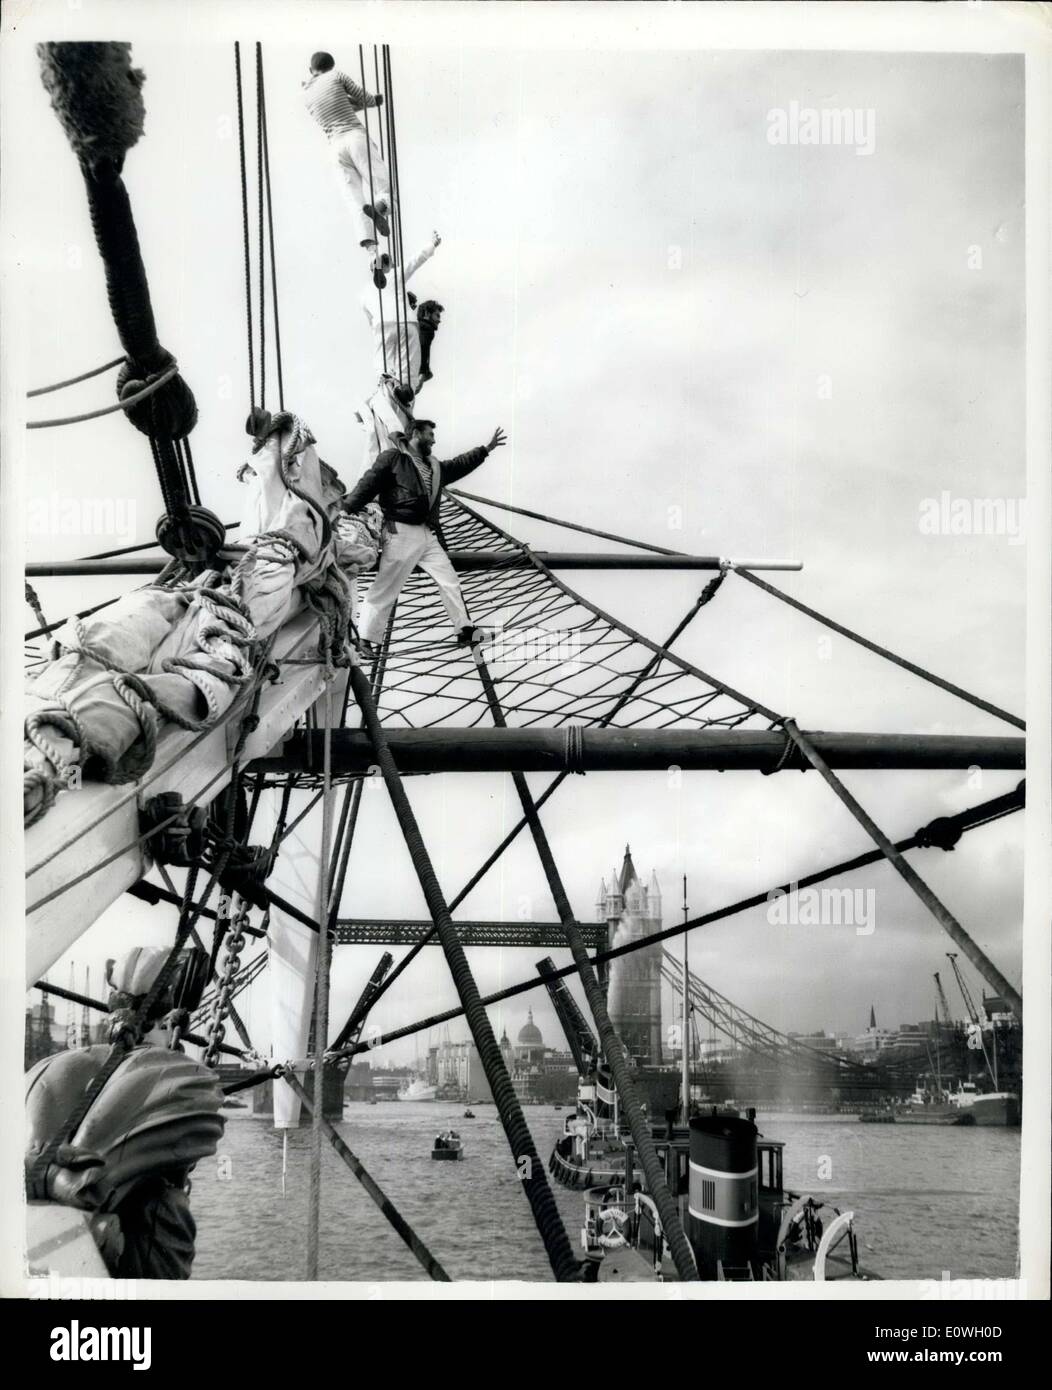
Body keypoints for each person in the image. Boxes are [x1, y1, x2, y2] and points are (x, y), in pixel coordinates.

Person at [342, 417, 507, 656]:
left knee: (449, 578)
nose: (434, 439)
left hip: (426, 532)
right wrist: (345, 509)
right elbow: (368, 484)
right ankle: (365, 638)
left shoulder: (434, 465)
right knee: (387, 586)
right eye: (430, 434)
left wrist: (485, 450)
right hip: (400, 528)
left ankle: (464, 629)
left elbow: (460, 464)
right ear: (416, 433)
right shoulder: (393, 458)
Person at [302, 52, 390, 282]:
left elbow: (343, 105)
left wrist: (360, 104)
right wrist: (375, 101)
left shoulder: (307, 95)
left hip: (335, 149)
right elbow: (364, 98)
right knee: (384, 187)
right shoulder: (337, 76)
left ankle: (373, 256)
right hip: (355, 137)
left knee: (354, 202)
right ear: (331, 66)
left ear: (311, 69)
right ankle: (381, 208)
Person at [361, 230, 442, 383]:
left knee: (384, 362)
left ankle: (386, 381)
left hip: (383, 326)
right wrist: (433, 244)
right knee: (410, 364)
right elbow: (415, 261)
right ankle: (407, 389)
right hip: (406, 323)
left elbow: (370, 320)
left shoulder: (364, 293)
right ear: (387, 266)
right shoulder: (395, 274)